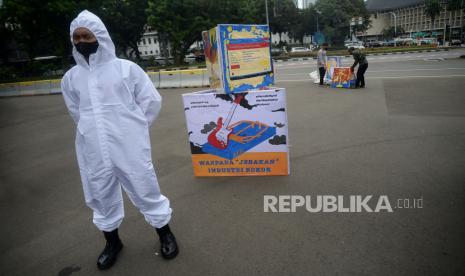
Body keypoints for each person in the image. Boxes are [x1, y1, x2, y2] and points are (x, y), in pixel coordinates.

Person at [61, 10, 179, 270]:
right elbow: (75, 111)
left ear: (99, 36)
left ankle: (165, 233)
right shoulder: (71, 78)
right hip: (92, 147)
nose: (81, 41)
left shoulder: (126, 69)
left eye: (86, 35)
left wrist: (133, 130)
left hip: (128, 145)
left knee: (145, 186)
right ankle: (112, 242)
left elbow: (150, 102)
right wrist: (92, 130)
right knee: (101, 194)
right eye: (76, 37)